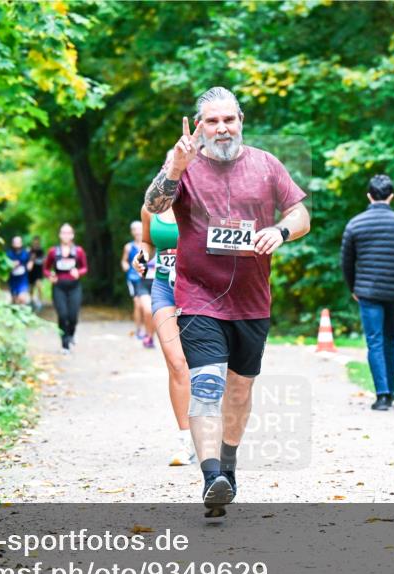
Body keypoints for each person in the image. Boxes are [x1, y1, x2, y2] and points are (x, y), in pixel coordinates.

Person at [143, 86, 310, 514]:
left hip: (252, 300)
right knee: (207, 382)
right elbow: (153, 203)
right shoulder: (183, 164)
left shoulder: (266, 164)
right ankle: (211, 475)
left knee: (239, 388)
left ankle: (228, 466)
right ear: (200, 126)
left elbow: (300, 214)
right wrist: (175, 169)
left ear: (240, 121)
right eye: (212, 121)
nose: (221, 128)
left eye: (228, 119)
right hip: (198, 295)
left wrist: (280, 231)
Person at [340, 174, 394, 411]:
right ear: (391, 196)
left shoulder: (355, 224)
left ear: (369, 195)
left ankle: (382, 395)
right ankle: (392, 392)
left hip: (367, 291)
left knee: (374, 341)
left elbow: (346, 262)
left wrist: (353, 287)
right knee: (391, 340)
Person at [133, 203, 194, 464]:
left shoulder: (201, 201)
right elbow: (147, 242)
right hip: (163, 287)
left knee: (206, 363)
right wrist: (142, 255)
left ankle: (211, 430)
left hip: (199, 290)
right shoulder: (149, 209)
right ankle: (186, 441)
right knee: (176, 362)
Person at [43, 223, 88, 354]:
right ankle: (65, 344)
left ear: (72, 235)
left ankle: (71, 334)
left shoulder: (78, 251)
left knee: (73, 316)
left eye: (68, 233)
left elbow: (85, 267)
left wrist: (78, 272)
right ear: (60, 235)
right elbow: (46, 269)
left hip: (74, 287)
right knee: (63, 315)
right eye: (63, 232)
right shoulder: (53, 251)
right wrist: (50, 275)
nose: (66, 235)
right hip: (59, 287)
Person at [121, 222, 153, 343]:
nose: (137, 231)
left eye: (139, 228)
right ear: (132, 232)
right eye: (134, 229)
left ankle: (147, 331)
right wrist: (125, 266)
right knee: (137, 304)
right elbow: (124, 261)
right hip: (134, 278)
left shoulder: (150, 245)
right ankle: (138, 329)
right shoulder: (129, 247)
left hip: (148, 278)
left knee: (147, 306)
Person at [6, 235, 32, 306]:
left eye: (18, 242)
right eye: (15, 242)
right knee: (14, 300)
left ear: (21, 243)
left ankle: (23, 311)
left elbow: (30, 261)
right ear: (12, 244)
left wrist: (30, 264)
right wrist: (11, 265)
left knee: (22, 298)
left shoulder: (25, 253)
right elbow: (4, 266)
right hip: (13, 280)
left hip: (23, 279)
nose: (17, 244)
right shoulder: (8, 254)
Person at [27, 236, 46, 312]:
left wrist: (35, 259)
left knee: (39, 286)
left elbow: (43, 260)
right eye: (34, 242)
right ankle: (31, 301)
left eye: (37, 242)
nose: (35, 244)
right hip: (31, 272)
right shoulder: (29, 251)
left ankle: (40, 302)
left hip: (38, 271)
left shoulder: (41, 251)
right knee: (31, 287)